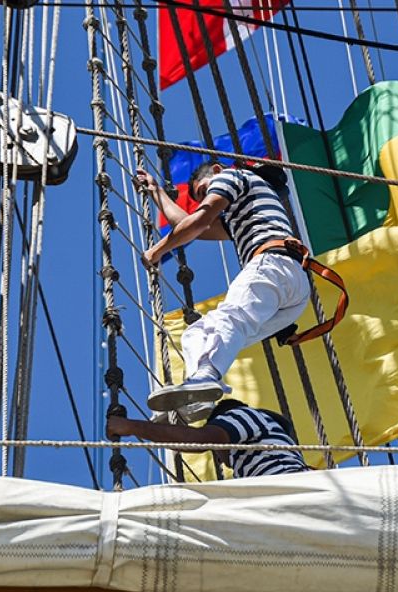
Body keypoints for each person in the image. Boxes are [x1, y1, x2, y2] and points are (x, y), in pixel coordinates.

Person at [137, 161, 310, 415]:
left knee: (231, 318)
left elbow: (198, 222)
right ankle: (199, 393)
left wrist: (156, 251)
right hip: (292, 288)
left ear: (217, 171)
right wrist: (156, 191)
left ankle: (206, 378)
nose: (209, 198)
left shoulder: (230, 176)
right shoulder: (243, 208)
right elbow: (195, 223)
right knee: (197, 333)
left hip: (273, 263)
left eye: (206, 191)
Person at [106, 399, 310, 478]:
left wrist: (131, 427)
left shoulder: (243, 415)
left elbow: (200, 440)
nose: (220, 459)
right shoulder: (250, 463)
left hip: (285, 491)